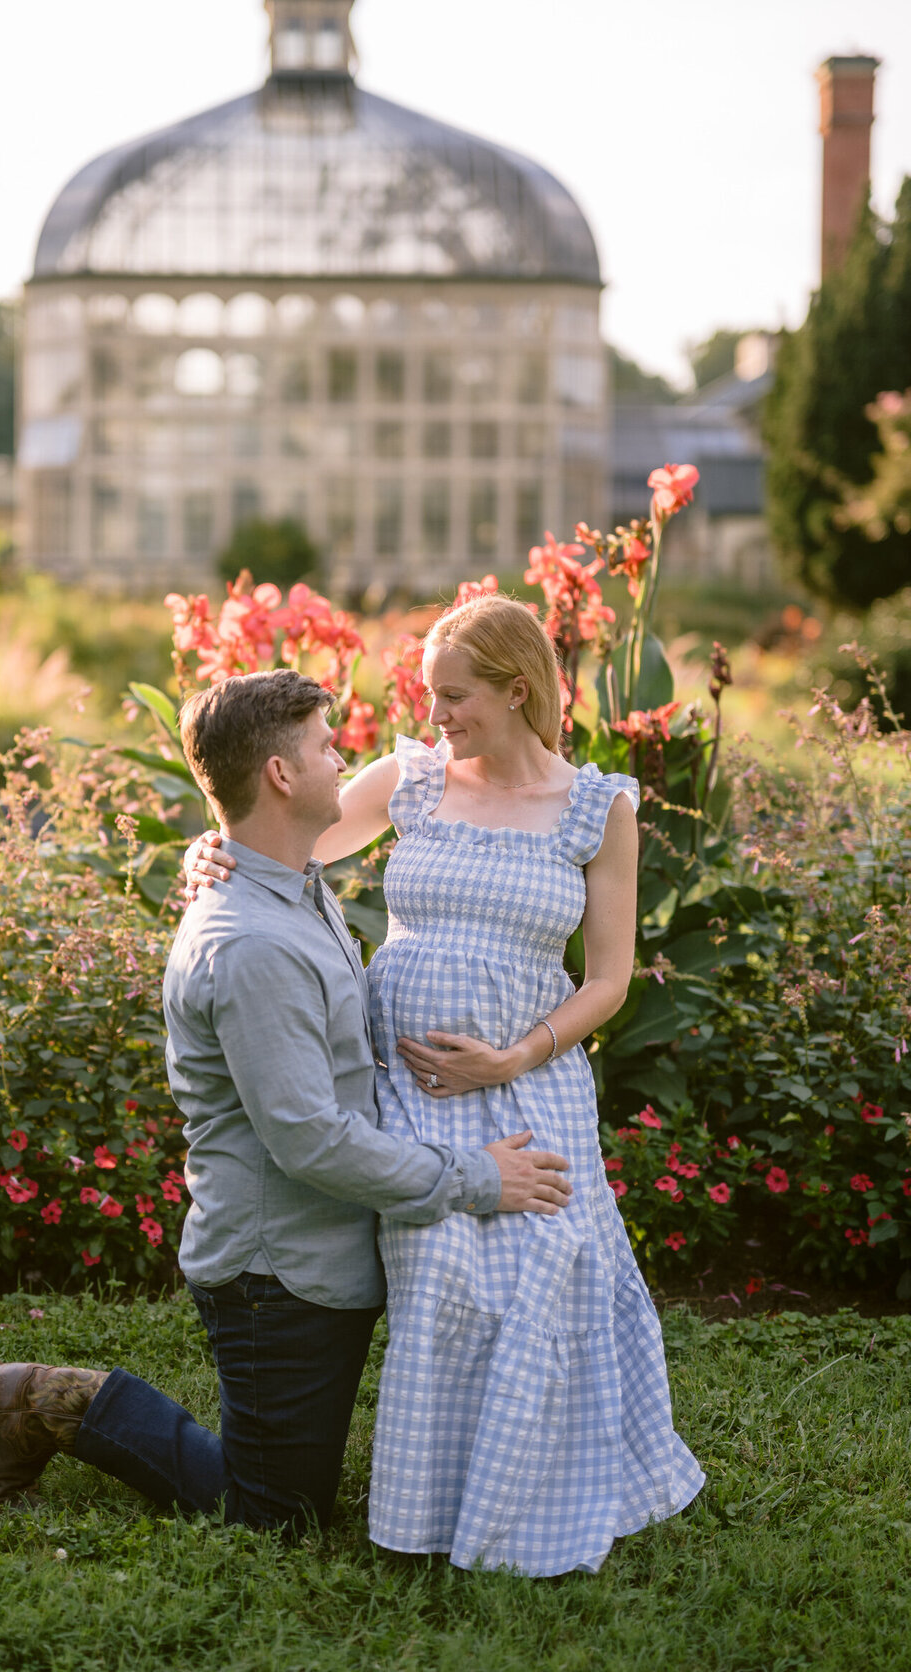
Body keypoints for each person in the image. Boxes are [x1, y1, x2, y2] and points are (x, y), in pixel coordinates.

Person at [0, 668, 574, 1529]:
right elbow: (309, 1141)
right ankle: (43, 1398)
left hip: (319, 1242)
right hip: (276, 1270)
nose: (343, 758)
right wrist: (478, 1177)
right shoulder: (252, 941)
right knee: (273, 1516)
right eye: (327, 745)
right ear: (282, 775)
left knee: (287, 1487)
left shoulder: (293, 887)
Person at [187, 593, 704, 1574]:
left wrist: (516, 1056)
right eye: (429, 696)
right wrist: (204, 846)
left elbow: (607, 980)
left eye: (454, 697)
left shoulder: (601, 807)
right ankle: (435, 1520)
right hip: (409, 1079)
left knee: (552, 1269)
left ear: (519, 691)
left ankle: (536, 1501)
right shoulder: (414, 782)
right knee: (446, 1278)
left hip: (533, 1074)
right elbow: (277, 834)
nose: (434, 718)